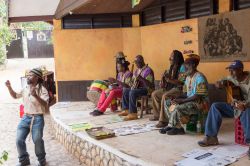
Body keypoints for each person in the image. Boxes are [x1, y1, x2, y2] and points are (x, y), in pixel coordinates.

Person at [198, 60, 250, 158]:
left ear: (241, 70)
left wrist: (245, 105)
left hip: (247, 107)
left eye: (233, 70)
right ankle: (211, 137)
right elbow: (219, 82)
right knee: (215, 106)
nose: (230, 73)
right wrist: (219, 84)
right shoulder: (231, 77)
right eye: (229, 70)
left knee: (247, 111)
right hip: (235, 107)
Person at [5, 68, 49, 166]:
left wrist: (36, 95)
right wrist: (9, 87)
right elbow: (15, 96)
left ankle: (41, 160)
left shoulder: (42, 90)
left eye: (30, 75)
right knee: (19, 140)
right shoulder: (25, 88)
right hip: (25, 118)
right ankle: (24, 160)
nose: (28, 77)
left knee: (37, 140)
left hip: (37, 119)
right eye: (27, 75)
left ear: (37, 77)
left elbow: (45, 104)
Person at [160, 54, 209, 135]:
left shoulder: (200, 77)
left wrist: (182, 101)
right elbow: (186, 94)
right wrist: (176, 97)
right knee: (168, 102)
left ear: (193, 65)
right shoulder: (188, 78)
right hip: (191, 101)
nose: (185, 68)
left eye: (187, 65)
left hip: (200, 103)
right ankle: (173, 125)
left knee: (178, 107)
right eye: (185, 65)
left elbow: (198, 95)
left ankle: (178, 128)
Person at [150, 50, 186, 128]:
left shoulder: (182, 67)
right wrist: (164, 78)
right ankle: (157, 115)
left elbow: (181, 82)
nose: (169, 59)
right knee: (155, 94)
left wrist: (169, 80)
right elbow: (168, 80)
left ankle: (164, 120)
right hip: (170, 88)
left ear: (176, 58)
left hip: (179, 89)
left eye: (171, 57)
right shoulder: (172, 67)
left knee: (165, 96)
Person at [119, 55, 155, 121]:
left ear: (141, 62)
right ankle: (127, 109)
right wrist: (131, 83)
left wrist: (141, 79)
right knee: (126, 90)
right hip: (138, 87)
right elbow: (133, 81)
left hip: (147, 89)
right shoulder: (136, 70)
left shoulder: (148, 70)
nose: (136, 64)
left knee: (133, 92)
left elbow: (150, 85)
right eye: (135, 63)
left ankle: (133, 114)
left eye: (137, 63)